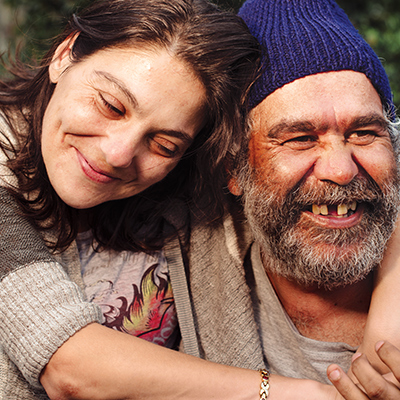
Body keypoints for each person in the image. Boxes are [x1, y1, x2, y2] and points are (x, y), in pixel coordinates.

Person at [0, 0, 398, 399]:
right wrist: (295, 394)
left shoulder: (178, 185)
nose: (118, 153)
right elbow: (70, 367)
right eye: (110, 105)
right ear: (65, 54)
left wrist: (388, 319)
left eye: (165, 142)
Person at [163, 0, 400, 398]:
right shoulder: (171, 244)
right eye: (300, 138)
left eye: (364, 132)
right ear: (233, 170)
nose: (341, 170)